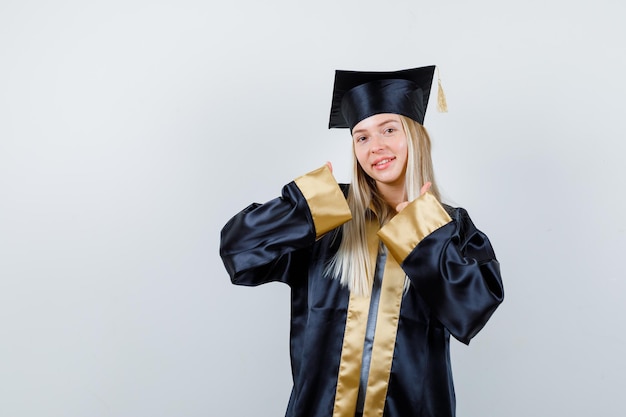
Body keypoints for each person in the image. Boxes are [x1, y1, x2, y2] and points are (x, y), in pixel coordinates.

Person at [219, 65, 504, 417]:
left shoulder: (449, 226)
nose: (376, 146)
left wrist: (421, 232)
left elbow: (471, 312)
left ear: (415, 136)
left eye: (389, 130)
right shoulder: (328, 218)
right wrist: (305, 207)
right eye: (362, 137)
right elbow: (239, 253)